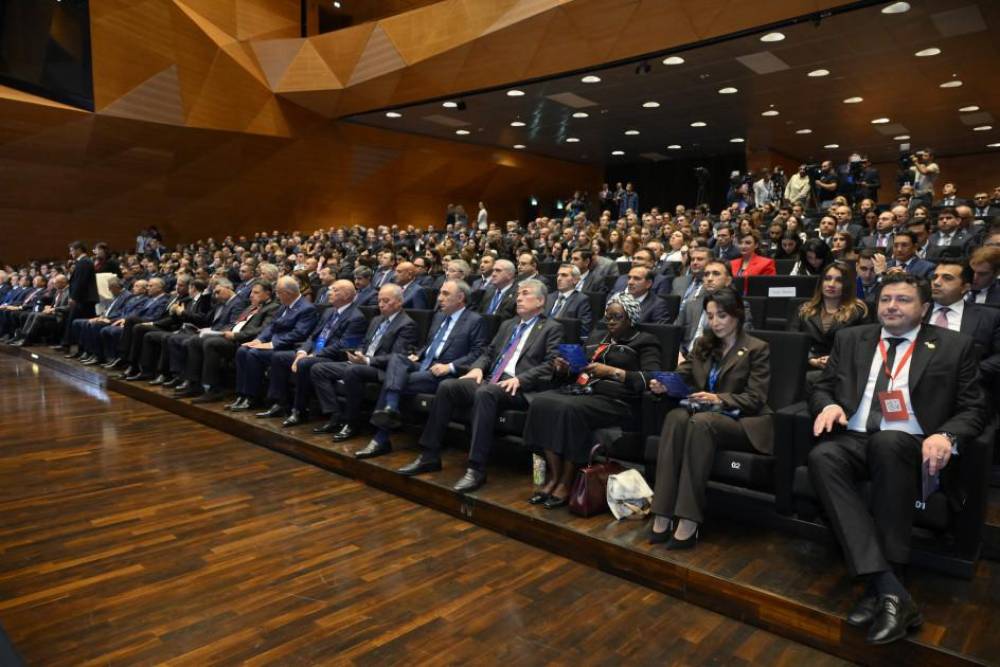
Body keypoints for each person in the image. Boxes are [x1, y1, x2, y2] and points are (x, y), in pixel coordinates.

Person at [808, 272, 986, 644]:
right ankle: (890, 588)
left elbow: (974, 409)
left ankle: (882, 590)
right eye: (886, 299)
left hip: (914, 441)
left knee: (888, 442)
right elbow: (822, 387)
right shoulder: (851, 338)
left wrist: (945, 435)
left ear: (924, 308)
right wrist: (828, 406)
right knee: (823, 455)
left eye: (903, 300)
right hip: (856, 435)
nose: (892, 306)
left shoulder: (955, 346)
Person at [397, 279, 562, 492]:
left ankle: (476, 468)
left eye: (525, 294)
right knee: (448, 386)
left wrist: (521, 379)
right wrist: (477, 368)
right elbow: (488, 353)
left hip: (519, 387)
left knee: (486, 393)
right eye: (518, 294)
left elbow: (551, 364)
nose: (519, 298)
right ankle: (429, 455)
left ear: (540, 301)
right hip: (492, 380)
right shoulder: (508, 324)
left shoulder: (551, 327)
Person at [649, 287, 772, 549]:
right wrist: (665, 384)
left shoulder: (756, 348)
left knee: (701, 423)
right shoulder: (703, 345)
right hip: (705, 414)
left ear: (737, 315)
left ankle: (689, 519)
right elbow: (682, 375)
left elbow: (755, 398)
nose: (715, 322)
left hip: (741, 420)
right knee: (675, 417)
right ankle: (662, 511)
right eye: (711, 316)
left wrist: (719, 399)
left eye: (722, 315)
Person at [523, 292, 660, 509]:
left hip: (616, 400)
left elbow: (651, 377)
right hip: (583, 392)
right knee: (541, 402)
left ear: (631, 318)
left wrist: (612, 371)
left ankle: (566, 482)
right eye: (608, 317)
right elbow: (580, 369)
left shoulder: (645, 341)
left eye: (617, 317)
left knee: (569, 409)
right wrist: (564, 369)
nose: (610, 321)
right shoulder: (598, 338)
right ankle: (554, 477)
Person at [365, 280, 488, 452]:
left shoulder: (475, 320)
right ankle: (390, 408)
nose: (439, 298)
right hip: (424, 363)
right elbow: (430, 344)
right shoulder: (438, 317)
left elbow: (478, 353)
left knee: (392, 380)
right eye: (440, 293)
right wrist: (419, 353)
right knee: (398, 359)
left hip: (444, 372)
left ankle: (381, 436)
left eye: (445, 294)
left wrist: (450, 366)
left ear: (460, 298)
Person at [309, 284, 418, 444]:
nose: (381, 304)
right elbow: (364, 343)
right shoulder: (376, 320)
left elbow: (397, 357)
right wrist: (358, 353)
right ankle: (335, 415)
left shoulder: (407, 324)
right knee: (318, 369)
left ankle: (352, 423)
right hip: (362, 363)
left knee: (353, 371)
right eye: (379, 300)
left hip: (381, 369)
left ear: (399, 302)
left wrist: (367, 360)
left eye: (386, 301)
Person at [255, 280, 368, 425]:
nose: (329, 292)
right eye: (330, 289)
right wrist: (303, 351)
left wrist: (314, 355)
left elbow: (343, 345)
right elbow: (313, 336)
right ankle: (280, 403)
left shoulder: (356, 317)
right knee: (279, 357)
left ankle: (299, 410)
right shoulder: (329, 311)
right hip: (313, 352)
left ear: (346, 295)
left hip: (332, 357)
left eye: (335, 290)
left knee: (304, 363)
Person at [226, 276, 319, 411]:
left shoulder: (307, 309)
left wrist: (272, 344)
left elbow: (299, 333)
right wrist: (259, 340)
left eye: (278, 293)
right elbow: (271, 326)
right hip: (274, 343)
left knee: (254, 353)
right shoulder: (284, 306)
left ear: (288, 293)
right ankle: (242, 394)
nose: (277, 296)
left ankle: (253, 397)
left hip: (288, 346)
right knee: (242, 350)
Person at [178, 280, 279, 403]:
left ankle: (212, 389)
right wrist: (218, 332)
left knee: (211, 344)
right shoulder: (251, 306)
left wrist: (236, 335)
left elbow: (263, 329)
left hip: (243, 341)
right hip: (230, 336)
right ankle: (194, 383)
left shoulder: (273, 308)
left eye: (256, 292)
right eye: (252, 292)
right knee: (195, 340)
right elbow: (235, 324)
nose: (251, 295)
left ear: (267, 293)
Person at [787, 262, 868, 383]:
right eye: (827, 279)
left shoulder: (858, 312)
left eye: (839, 280)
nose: (831, 284)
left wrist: (834, 359)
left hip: (842, 370)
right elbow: (792, 342)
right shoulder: (803, 310)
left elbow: (864, 347)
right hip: (807, 365)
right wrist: (811, 359)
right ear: (821, 282)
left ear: (847, 285)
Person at [927, 262, 1000, 396]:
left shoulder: (990, 317)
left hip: (966, 392)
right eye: (934, 277)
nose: (936, 283)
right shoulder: (916, 312)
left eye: (947, 278)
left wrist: (971, 374)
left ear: (965, 287)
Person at [55, 241, 99, 351]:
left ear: (79, 249)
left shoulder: (84, 262)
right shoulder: (83, 262)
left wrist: (73, 297)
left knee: (76, 322)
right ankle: (72, 346)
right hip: (84, 298)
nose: (70, 253)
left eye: (72, 250)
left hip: (83, 299)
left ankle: (72, 346)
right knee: (76, 322)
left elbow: (80, 282)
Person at [544, 264, 592, 340]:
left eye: (564, 275)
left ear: (575, 280)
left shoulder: (581, 300)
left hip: (563, 340)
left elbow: (584, 329)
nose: (559, 278)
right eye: (558, 275)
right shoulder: (549, 297)